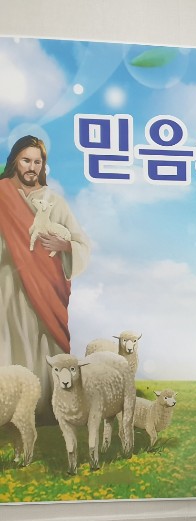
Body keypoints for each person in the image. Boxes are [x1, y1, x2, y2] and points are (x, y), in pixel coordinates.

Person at [0, 135, 91, 417]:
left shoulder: (53, 201)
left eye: (37, 162)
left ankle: (44, 410)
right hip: (7, 286)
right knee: (8, 342)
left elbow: (81, 243)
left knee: (42, 346)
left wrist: (66, 246)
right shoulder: (1, 195)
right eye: (26, 160)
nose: (32, 167)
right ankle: (7, 410)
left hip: (45, 291)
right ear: (15, 161)